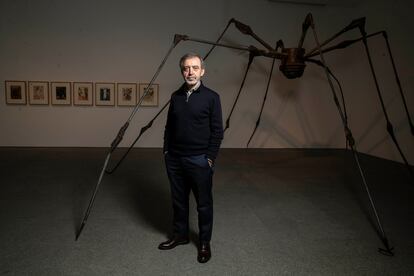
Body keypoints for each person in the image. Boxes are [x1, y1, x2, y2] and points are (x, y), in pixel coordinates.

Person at [159, 53, 224, 263]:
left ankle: (204, 243)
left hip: (199, 160)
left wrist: (210, 158)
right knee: (179, 201)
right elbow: (169, 127)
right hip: (175, 159)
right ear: (182, 71)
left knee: (203, 204)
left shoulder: (212, 97)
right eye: (186, 68)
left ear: (202, 71)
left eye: (195, 68)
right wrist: (166, 152)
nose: (190, 72)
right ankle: (180, 235)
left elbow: (217, 131)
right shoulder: (176, 96)